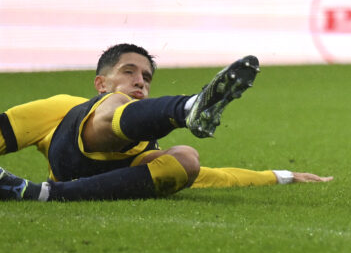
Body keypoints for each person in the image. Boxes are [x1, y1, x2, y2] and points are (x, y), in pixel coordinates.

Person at [0, 43, 332, 201]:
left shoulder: (149, 144)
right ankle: (188, 108)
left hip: (61, 188)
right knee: (117, 104)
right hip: (73, 152)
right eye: (128, 72)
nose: (140, 81)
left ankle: (46, 195)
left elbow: (215, 177)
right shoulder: (60, 107)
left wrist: (283, 176)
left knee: (186, 158)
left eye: (146, 77)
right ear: (100, 82)